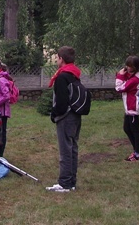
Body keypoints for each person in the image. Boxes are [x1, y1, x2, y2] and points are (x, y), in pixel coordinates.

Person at [46, 46, 83, 193]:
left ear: (61, 59)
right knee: (72, 148)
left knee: (65, 150)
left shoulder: (62, 76)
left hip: (66, 116)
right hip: (75, 115)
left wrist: (54, 115)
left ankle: (65, 183)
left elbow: (61, 102)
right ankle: (71, 181)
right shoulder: (74, 74)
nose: (56, 60)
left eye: (57, 57)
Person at [115, 55, 139, 161]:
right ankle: (136, 151)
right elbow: (127, 82)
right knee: (127, 128)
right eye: (127, 65)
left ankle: (137, 153)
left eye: (131, 66)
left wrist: (120, 76)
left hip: (133, 106)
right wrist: (123, 75)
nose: (128, 68)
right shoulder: (136, 77)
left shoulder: (136, 79)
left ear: (136, 67)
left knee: (135, 130)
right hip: (129, 106)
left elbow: (120, 88)